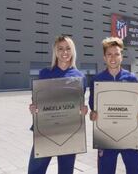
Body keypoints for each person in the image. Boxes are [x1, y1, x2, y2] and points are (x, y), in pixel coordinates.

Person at [28, 35, 88, 174]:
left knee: (66, 171)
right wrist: (33, 108)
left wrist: (83, 111)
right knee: (35, 170)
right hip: (45, 130)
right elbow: (36, 100)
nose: (64, 52)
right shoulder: (45, 73)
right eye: (60, 48)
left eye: (68, 48)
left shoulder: (80, 77)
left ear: (72, 51)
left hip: (69, 132)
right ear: (55, 51)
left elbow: (79, 105)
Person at [88, 37, 138, 174]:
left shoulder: (131, 79)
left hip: (129, 135)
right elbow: (92, 106)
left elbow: (136, 106)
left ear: (122, 56)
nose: (113, 57)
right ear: (104, 57)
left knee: (135, 171)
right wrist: (92, 114)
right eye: (109, 54)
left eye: (116, 54)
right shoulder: (97, 80)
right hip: (106, 137)